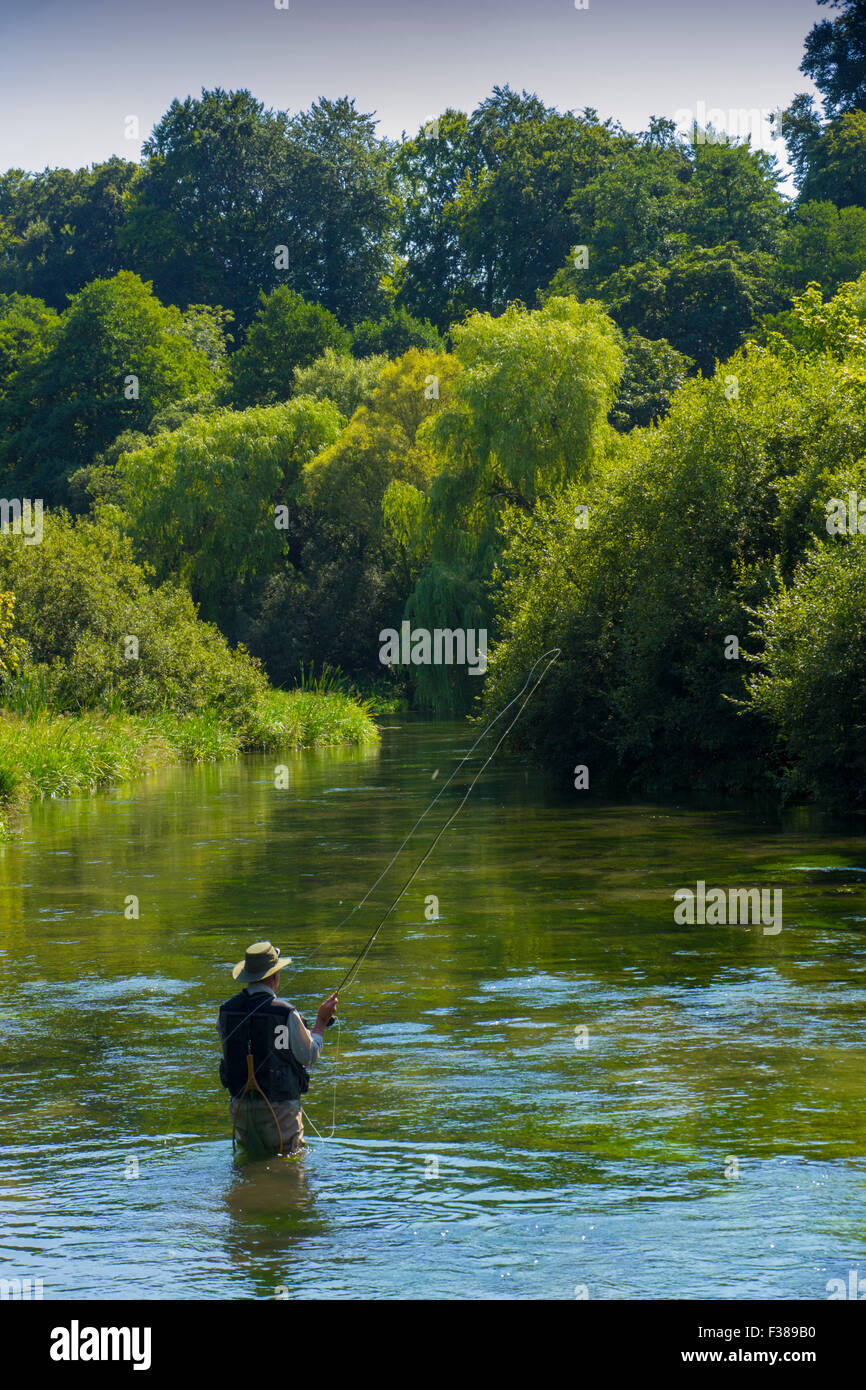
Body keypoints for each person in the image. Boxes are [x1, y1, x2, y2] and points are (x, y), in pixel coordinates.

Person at [218, 940, 338, 1157]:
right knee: (290, 1168)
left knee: (250, 1164)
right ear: (274, 976)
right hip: (281, 1110)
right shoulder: (285, 1012)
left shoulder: (226, 1011)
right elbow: (308, 1056)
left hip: (241, 1109)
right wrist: (321, 1022)